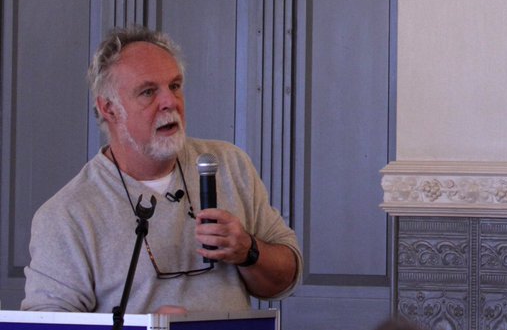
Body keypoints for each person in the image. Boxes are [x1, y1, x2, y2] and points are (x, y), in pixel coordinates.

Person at [22, 26, 302, 314]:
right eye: (148, 92)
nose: (170, 102)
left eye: (175, 86)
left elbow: (286, 279)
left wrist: (249, 251)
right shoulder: (67, 215)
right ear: (109, 109)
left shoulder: (229, 165)